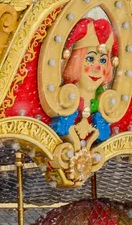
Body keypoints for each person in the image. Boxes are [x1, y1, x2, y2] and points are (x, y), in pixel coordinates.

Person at [49, 17, 120, 146]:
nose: (97, 68)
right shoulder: (63, 98)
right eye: (90, 59)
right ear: (76, 62)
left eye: (103, 61)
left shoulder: (101, 104)